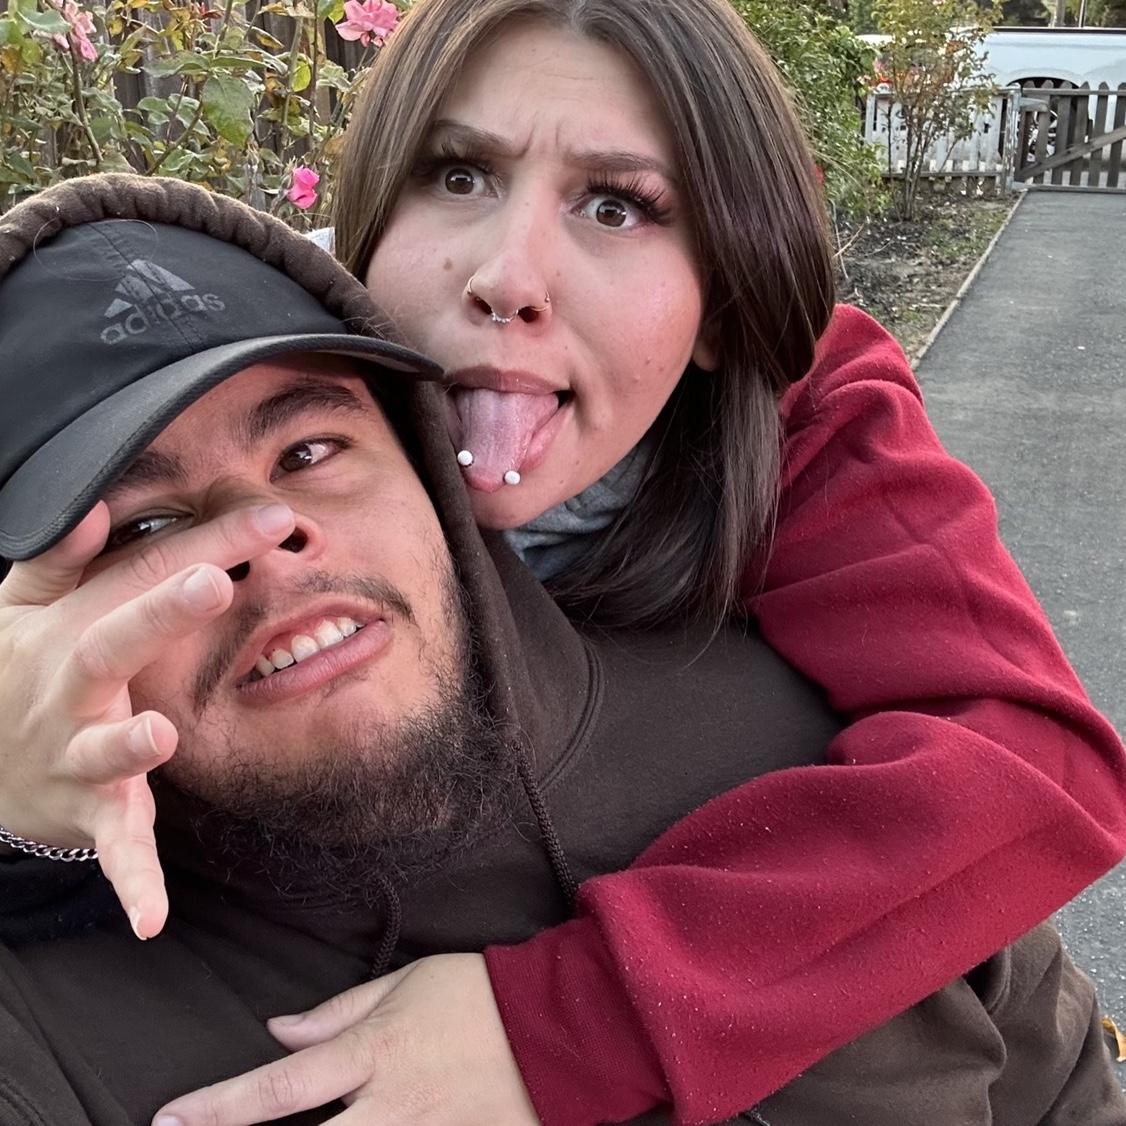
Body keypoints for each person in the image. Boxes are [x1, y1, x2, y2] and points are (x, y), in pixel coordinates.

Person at [1, 1, 1125, 1122]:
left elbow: (1033, 765)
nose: (509, 274)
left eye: (616, 205)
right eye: (457, 175)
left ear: (723, 304)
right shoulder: (252, 385)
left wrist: (565, 1024)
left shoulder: (811, 426)